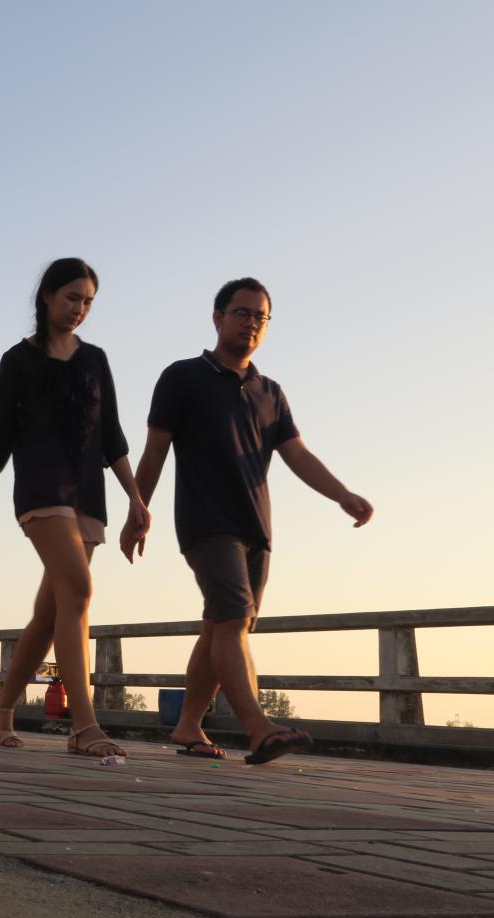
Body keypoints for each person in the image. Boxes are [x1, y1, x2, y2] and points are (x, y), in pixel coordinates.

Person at [124, 277, 372, 765]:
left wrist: (342, 494)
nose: (251, 323)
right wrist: (139, 509)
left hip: (256, 527)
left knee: (222, 626)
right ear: (217, 317)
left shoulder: (270, 392)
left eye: (260, 316)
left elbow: (297, 454)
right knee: (233, 619)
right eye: (242, 312)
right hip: (205, 521)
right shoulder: (182, 376)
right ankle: (258, 729)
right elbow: (155, 449)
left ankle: (188, 726)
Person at [0, 258, 148, 757]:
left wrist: (136, 498)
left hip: (88, 493)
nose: (79, 310)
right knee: (80, 590)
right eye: (71, 298)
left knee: (50, 614)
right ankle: (83, 726)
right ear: (46, 295)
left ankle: (1, 705)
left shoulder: (96, 360)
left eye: (87, 302)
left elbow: (113, 438)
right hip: (41, 492)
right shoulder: (17, 360)